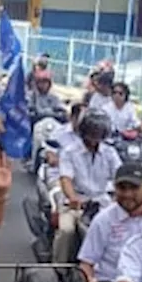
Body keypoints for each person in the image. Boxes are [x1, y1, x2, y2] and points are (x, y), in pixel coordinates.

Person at [54, 109, 121, 267]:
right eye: (93, 131)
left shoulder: (110, 153)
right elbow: (66, 179)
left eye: (100, 131)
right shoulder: (69, 152)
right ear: (85, 130)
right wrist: (73, 198)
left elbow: (120, 176)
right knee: (66, 231)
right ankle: (58, 269)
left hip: (102, 203)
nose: (96, 135)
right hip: (76, 204)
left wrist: (120, 196)